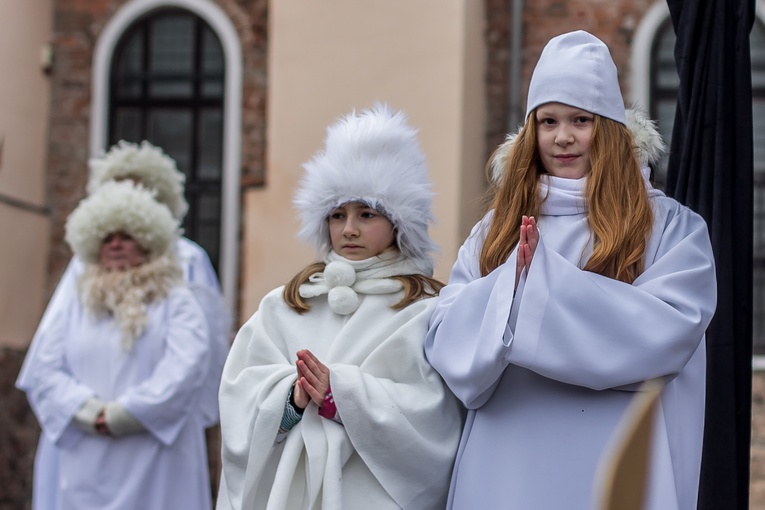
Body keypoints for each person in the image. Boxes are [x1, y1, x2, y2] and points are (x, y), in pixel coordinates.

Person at [424, 30, 717, 510]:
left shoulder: (668, 226)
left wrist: (536, 289)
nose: (562, 137)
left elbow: (671, 328)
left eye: (580, 120)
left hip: (610, 454)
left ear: (606, 127)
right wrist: (511, 283)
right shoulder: (494, 231)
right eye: (548, 121)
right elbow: (444, 335)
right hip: (506, 458)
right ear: (530, 132)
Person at [216, 104, 463, 510]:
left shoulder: (423, 309)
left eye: (367, 214)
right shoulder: (286, 305)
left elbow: (435, 417)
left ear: (401, 223)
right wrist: (291, 400)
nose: (349, 229)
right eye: (337, 214)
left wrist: (341, 395)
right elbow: (238, 397)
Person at [17, 180, 214, 509]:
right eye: (107, 237)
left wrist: (128, 413)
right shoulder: (76, 299)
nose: (116, 245)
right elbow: (45, 366)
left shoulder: (175, 297)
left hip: (154, 456)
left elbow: (188, 364)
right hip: (84, 455)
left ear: (148, 240)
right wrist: (88, 412)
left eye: (127, 236)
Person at [17, 140, 229, 429]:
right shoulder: (86, 263)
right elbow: (49, 351)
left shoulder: (188, 259)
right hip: (84, 434)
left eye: (139, 188)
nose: (116, 245)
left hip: (159, 427)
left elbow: (203, 349)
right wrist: (84, 409)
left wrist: (151, 412)